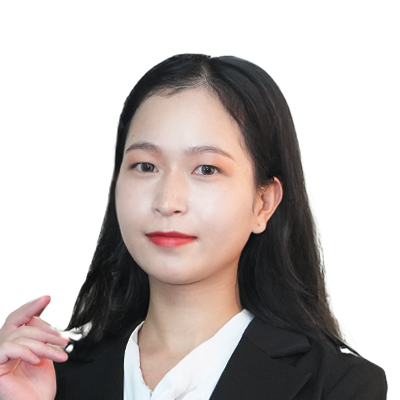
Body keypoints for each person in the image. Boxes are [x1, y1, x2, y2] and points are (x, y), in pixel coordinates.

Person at [0, 54, 387, 400]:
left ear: (263, 202)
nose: (168, 201)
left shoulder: (337, 387)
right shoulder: (51, 378)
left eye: (206, 169)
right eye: (145, 166)